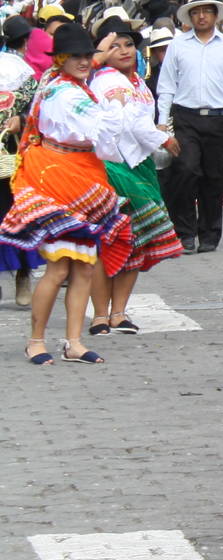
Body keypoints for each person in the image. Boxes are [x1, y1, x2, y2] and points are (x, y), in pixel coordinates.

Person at [0, 22, 131, 365]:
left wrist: (102, 51)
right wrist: (116, 104)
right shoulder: (67, 94)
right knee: (59, 266)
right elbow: (103, 127)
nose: (84, 61)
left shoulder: (61, 83)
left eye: (87, 55)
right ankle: (35, 341)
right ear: (60, 58)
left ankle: (73, 341)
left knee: (84, 266)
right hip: (59, 177)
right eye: (76, 56)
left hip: (81, 174)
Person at [87, 18, 183, 335]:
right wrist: (163, 139)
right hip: (113, 167)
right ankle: (101, 314)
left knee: (136, 242)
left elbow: (143, 121)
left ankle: (119, 312)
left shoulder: (139, 82)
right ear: (102, 51)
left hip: (138, 165)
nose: (124, 51)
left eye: (128, 44)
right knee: (111, 240)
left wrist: (155, 134)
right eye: (115, 45)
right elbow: (129, 122)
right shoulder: (105, 79)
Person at [155, 0, 223, 254]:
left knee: (214, 177)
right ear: (190, 17)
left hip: (219, 118)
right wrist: (162, 121)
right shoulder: (177, 45)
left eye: (207, 11)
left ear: (216, 15)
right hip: (186, 117)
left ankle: (209, 234)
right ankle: (184, 231)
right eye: (196, 12)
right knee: (185, 170)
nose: (202, 17)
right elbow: (167, 85)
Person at [0, 15, 39, 307]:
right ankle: (22, 276)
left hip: (15, 156)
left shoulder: (24, 73)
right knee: (20, 216)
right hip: (16, 156)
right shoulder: (26, 72)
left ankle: (22, 275)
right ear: (25, 42)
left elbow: (35, 114)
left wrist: (21, 119)